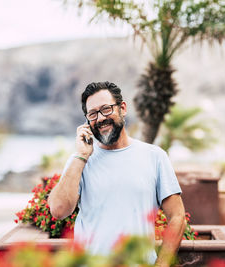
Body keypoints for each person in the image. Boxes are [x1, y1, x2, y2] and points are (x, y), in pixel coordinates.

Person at [49, 81, 186, 267]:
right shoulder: (80, 161)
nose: (100, 118)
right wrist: (81, 156)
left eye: (106, 109)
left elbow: (177, 217)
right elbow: (58, 210)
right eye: (92, 114)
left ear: (122, 108)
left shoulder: (155, 156)